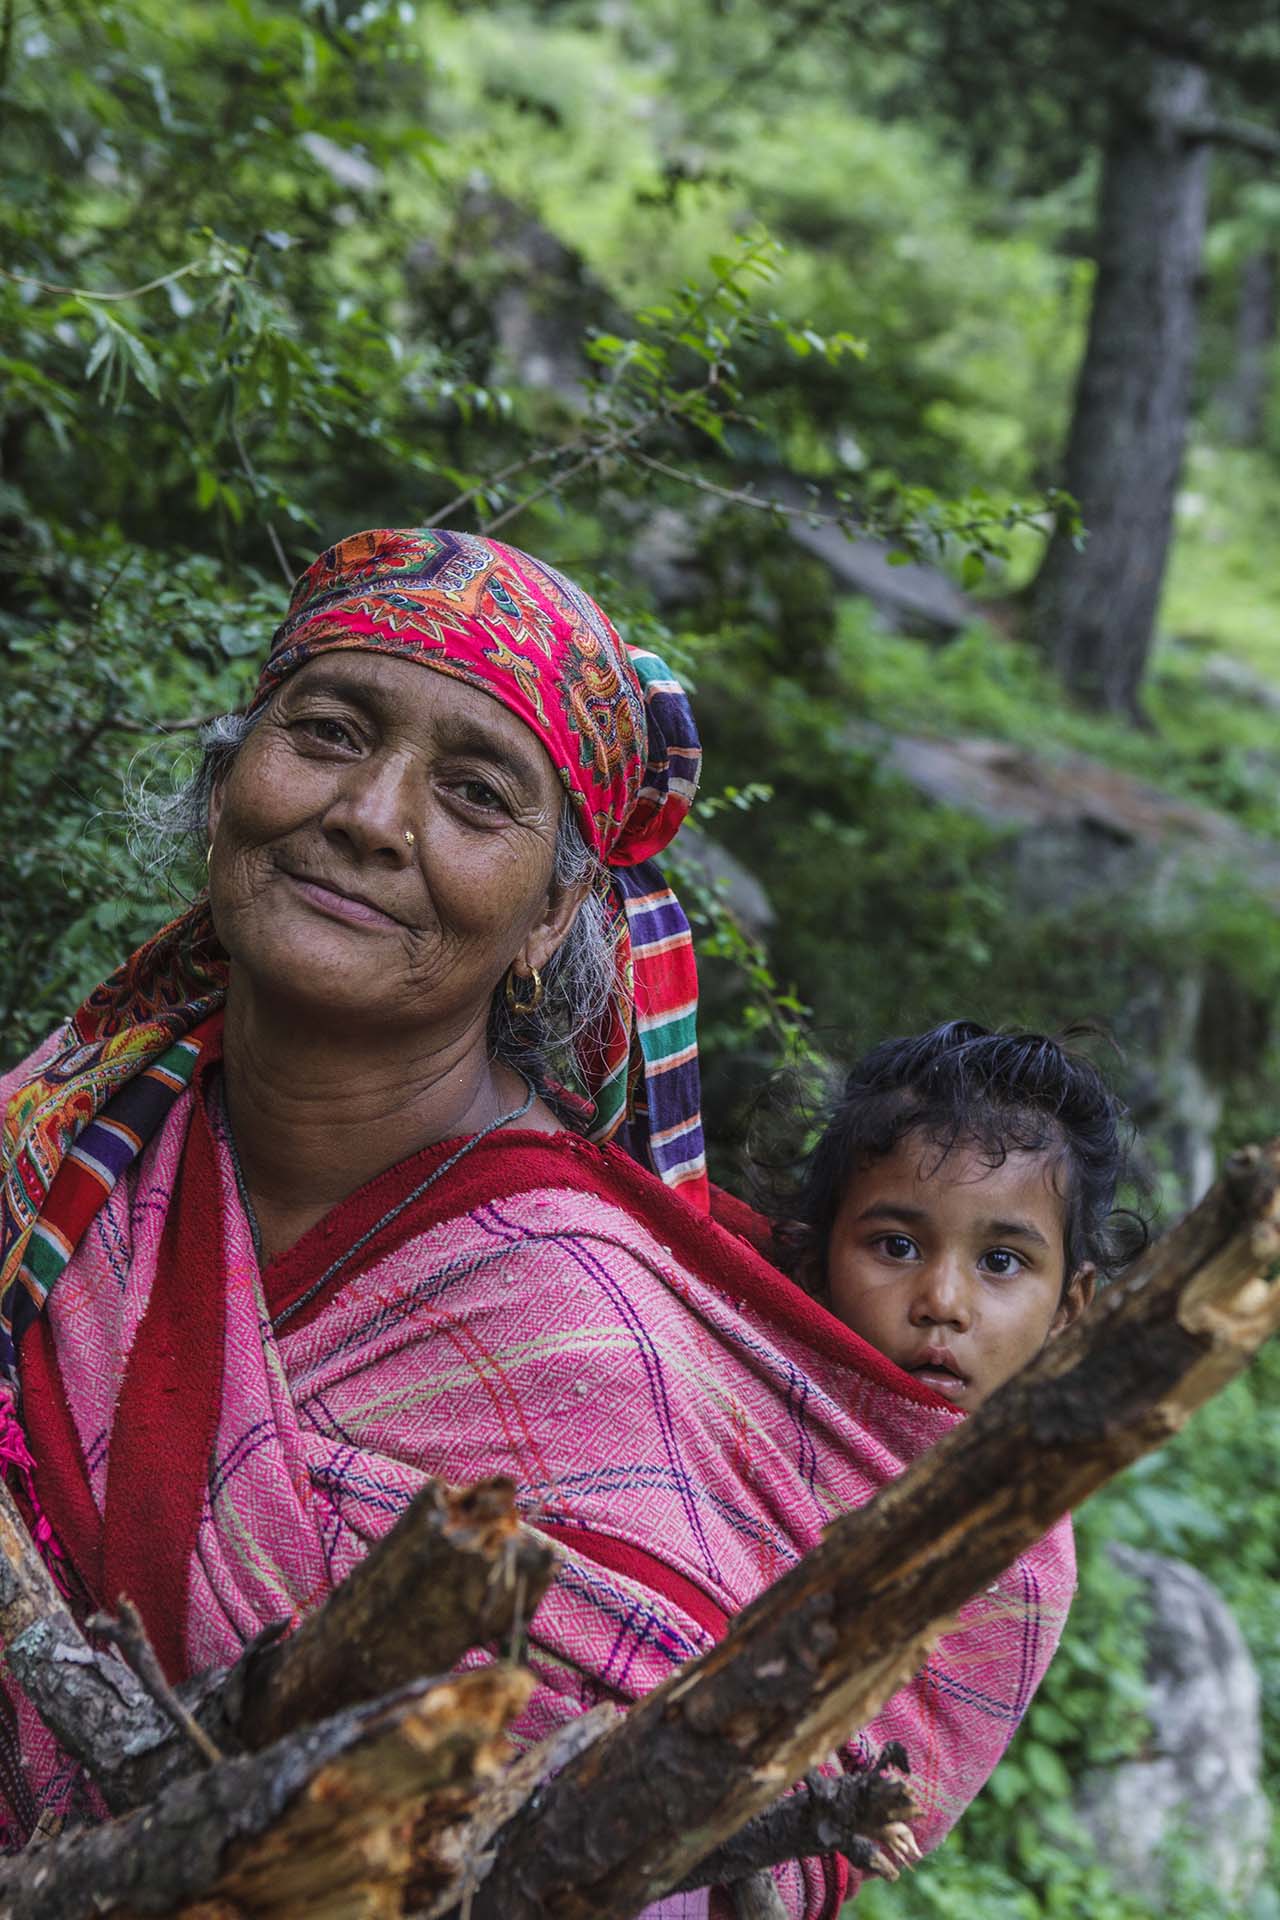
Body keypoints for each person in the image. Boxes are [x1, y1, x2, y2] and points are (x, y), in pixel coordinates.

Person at [0, 530, 1075, 1916]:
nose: (374, 815)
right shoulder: (74, 1125)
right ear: (230, 782)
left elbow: (645, 1849)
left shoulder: (571, 1329)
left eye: (474, 794)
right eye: (326, 733)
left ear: (555, 907)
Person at [769, 1021, 1145, 1410]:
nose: (943, 1304)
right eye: (898, 1247)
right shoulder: (743, 1437)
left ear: (1066, 1310)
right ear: (815, 1269)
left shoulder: (1055, 1467)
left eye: (1000, 1261)